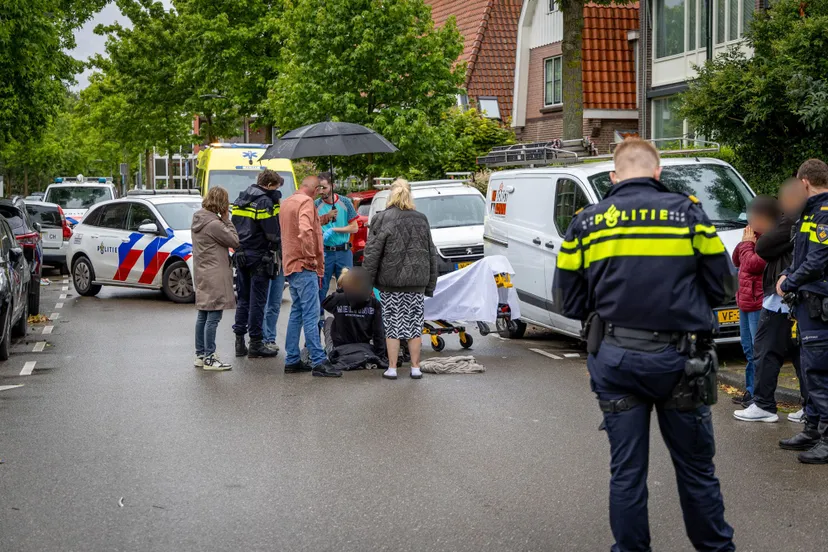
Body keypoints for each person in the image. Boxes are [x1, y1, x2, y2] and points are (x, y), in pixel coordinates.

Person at [553, 138, 736, 551]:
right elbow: (724, 285)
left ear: (614, 177)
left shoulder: (585, 222)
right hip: (681, 363)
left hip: (616, 360)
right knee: (695, 470)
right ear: (657, 173)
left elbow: (567, 301)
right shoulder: (689, 215)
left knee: (627, 472)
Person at [735, 180, 807, 423]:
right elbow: (740, 257)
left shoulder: (792, 219)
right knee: (797, 352)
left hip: (781, 297)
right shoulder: (804, 218)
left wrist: (749, 244)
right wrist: (747, 244)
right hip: (787, 295)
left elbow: (761, 251)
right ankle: (810, 407)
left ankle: (764, 404)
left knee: (765, 350)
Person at [777, 159, 828, 464]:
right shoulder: (810, 213)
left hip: (820, 304)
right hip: (808, 303)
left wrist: (789, 282)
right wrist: (789, 275)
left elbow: (820, 259)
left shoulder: (824, 214)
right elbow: (803, 254)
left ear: (805, 183)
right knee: (809, 370)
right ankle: (811, 428)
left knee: (819, 372)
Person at [363, 179, 438, 380]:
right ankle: (415, 368)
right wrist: (430, 283)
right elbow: (431, 252)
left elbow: (372, 254)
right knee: (414, 325)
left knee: (392, 324)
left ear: (391, 196)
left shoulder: (382, 219)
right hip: (416, 284)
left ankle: (393, 368)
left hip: (390, 283)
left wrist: (366, 284)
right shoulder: (421, 219)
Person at [280, 175, 341, 377]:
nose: (321, 193)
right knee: (311, 313)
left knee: (297, 312)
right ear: (314, 190)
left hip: (291, 264)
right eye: (320, 190)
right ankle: (318, 360)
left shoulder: (288, 202)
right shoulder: (306, 202)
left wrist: (323, 218)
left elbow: (304, 225)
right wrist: (311, 258)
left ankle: (292, 359)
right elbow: (306, 231)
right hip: (304, 266)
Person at [231, 169, 282, 359]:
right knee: (258, 302)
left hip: (241, 254)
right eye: (275, 187)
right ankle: (256, 343)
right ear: (268, 185)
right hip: (259, 256)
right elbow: (272, 233)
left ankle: (239, 342)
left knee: (243, 299)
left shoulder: (240, 199)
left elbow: (234, 227)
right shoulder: (264, 202)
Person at [731, 196, 777, 406]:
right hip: (744, 301)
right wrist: (745, 243)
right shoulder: (752, 237)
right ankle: (750, 391)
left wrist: (747, 244)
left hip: (758, 302)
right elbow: (736, 259)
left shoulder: (769, 239)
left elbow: (752, 264)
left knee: (758, 351)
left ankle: (759, 396)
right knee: (748, 349)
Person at [191, 187, 239, 371]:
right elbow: (234, 241)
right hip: (215, 273)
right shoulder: (215, 225)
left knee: (203, 313)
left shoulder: (199, 219)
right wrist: (227, 220)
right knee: (214, 315)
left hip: (203, 271)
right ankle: (210, 357)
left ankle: (200, 354)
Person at [322, 267, 388, 369]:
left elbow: (325, 303)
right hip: (364, 346)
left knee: (329, 321)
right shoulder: (374, 302)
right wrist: (380, 355)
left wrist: (343, 292)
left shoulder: (338, 299)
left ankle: (330, 350)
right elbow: (379, 332)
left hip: (339, 349)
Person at [316, 172, 358, 310]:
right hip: (325, 252)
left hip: (343, 251)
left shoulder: (345, 202)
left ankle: (346, 318)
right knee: (321, 288)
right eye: (319, 188)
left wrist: (335, 230)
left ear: (332, 186)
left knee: (348, 287)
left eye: (324, 188)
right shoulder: (316, 205)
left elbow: (354, 228)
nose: (321, 191)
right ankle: (320, 319)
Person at [262, 177, 287, 353]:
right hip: (265, 259)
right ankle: (262, 338)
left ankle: (269, 337)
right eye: (276, 188)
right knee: (264, 302)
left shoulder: (280, 206)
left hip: (280, 260)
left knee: (275, 302)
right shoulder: (262, 204)